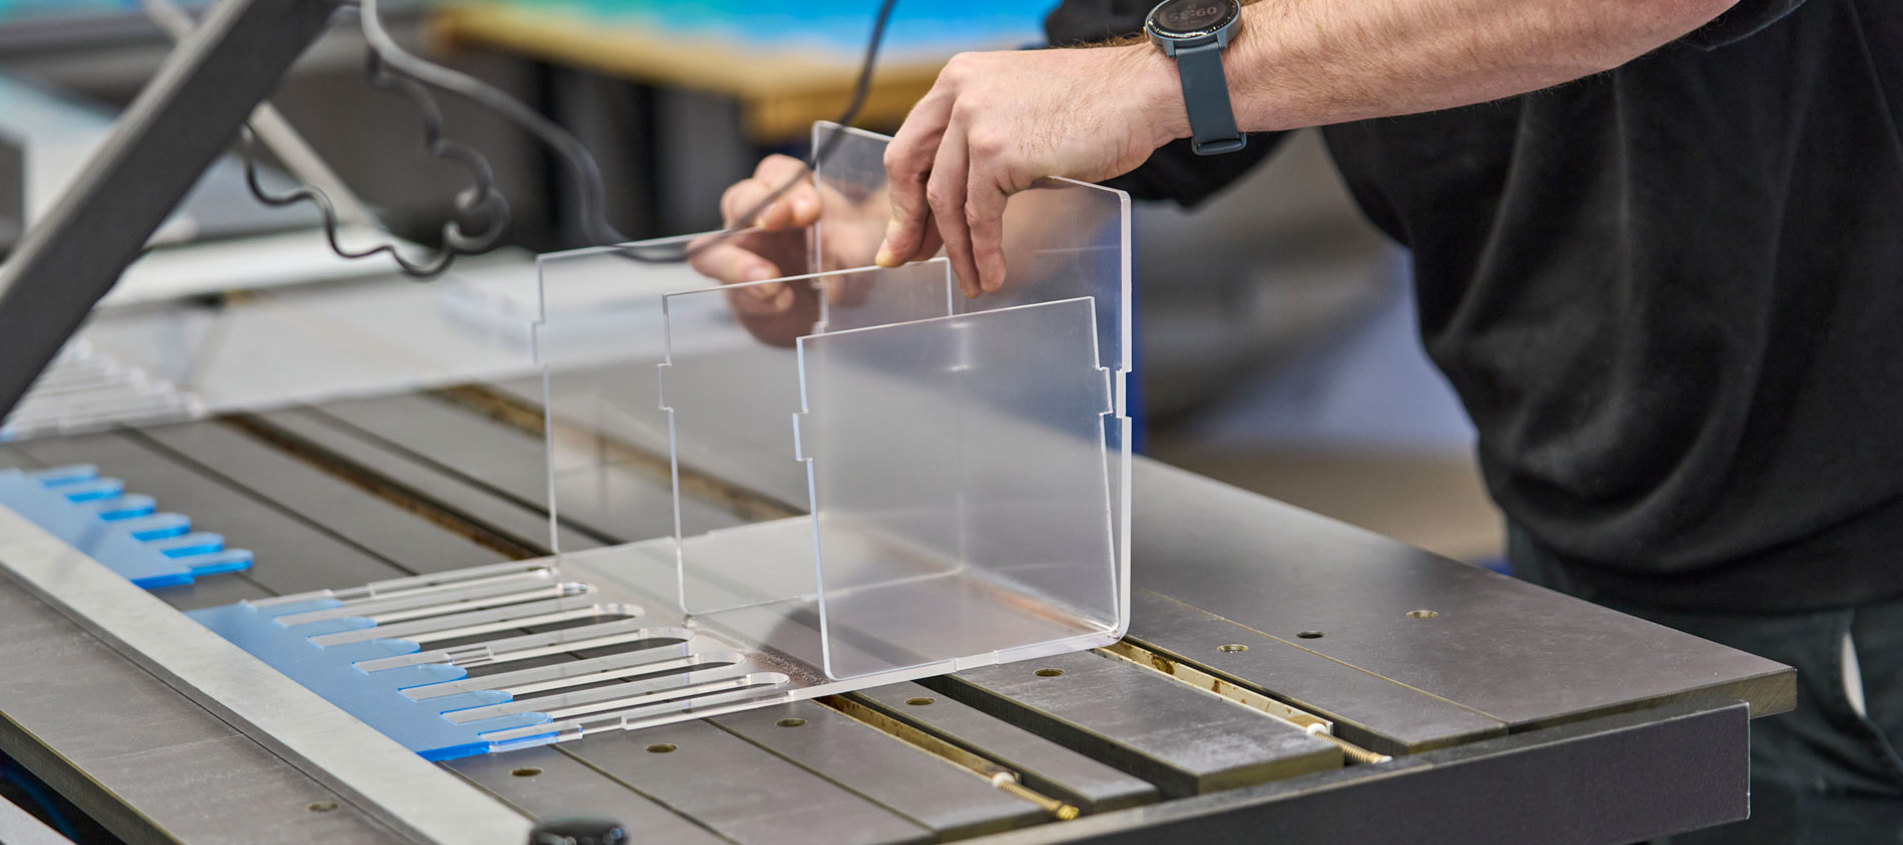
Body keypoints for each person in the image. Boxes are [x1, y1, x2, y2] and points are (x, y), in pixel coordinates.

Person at [695, 0, 1902, 839]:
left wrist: (1173, 77)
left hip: (1848, 542)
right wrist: (887, 236)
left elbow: (1163, 81)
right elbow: (1113, 137)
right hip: (1588, 520)